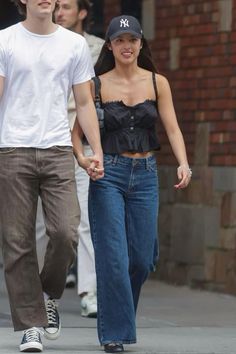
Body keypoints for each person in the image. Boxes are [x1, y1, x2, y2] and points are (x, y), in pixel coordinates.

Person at [72, 15, 192, 353]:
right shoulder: (94, 84)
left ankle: (119, 316)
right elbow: (76, 135)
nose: (127, 46)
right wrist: (83, 160)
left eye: (133, 39)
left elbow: (172, 128)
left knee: (140, 259)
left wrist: (184, 163)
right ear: (110, 45)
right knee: (113, 258)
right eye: (120, 40)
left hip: (146, 175)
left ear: (141, 44)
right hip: (108, 174)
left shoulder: (158, 82)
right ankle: (115, 333)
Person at [0, 0, 103, 352]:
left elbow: (85, 103)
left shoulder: (73, 45)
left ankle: (47, 294)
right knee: (18, 242)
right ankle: (31, 326)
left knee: (65, 231)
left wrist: (94, 151)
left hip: (59, 151)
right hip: (13, 150)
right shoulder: (5, 41)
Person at [55, 0, 104, 317]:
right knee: (46, 225)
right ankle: (45, 293)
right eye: (56, 6)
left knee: (87, 218)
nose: (59, 12)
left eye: (66, 6)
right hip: (47, 139)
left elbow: (95, 96)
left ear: (82, 13)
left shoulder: (98, 49)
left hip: (82, 140)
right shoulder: (38, 41)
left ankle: (89, 291)